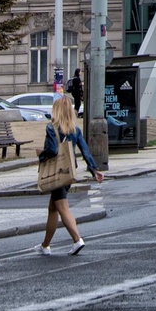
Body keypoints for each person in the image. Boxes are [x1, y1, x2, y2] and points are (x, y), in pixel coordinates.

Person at [36, 96, 104, 255]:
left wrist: (41, 155)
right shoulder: (75, 129)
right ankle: (45, 245)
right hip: (68, 172)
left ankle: (77, 239)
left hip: (56, 173)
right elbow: (85, 150)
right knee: (53, 208)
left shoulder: (51, 128)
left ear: (57, 111)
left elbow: (52, 150)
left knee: (62, 208)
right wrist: (94, 169)